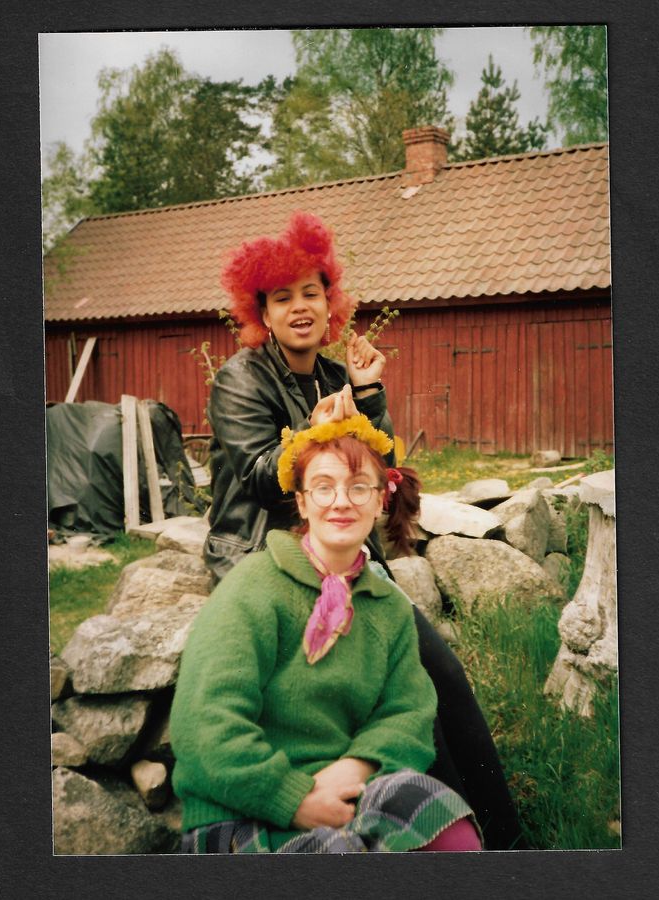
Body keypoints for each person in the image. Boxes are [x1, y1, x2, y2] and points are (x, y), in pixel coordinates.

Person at [202, 212, 526, 850]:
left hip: (341, 551)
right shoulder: (240, 379)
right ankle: (431, 832)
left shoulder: (329, 374)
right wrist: (312, 435)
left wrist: (367, 393)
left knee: (442, 675)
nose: (300, 308)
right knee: (390, 690)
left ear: (331, 303)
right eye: (282, 298)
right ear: (260, 313)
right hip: (266, 554)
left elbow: (377, 471)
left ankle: (503, 840)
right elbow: (265, 479)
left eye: (311, 293)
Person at [171, 420, 482, 853]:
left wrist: (356, 768)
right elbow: (205, 727)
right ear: (301, 502)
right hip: (243, 804)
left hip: (347, 792)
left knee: (448, 828)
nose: (341, 502)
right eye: (323, 487)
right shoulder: (252, 589)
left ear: (379, 502)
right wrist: (294, 798)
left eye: (358, 488)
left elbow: (407, 712)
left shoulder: (387, 607)